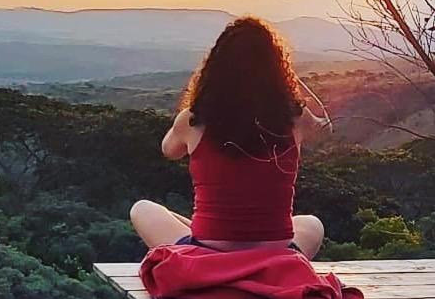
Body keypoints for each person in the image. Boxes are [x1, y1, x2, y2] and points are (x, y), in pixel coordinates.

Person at [130, 16, 330, 258]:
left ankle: (210, 253)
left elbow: (169, 150)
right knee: (311, 223)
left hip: (207, 251)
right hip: (277, 251)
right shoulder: (294, 118)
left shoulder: (193, 120)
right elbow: (325, 128)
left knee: (142, 209)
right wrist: (291, 80)